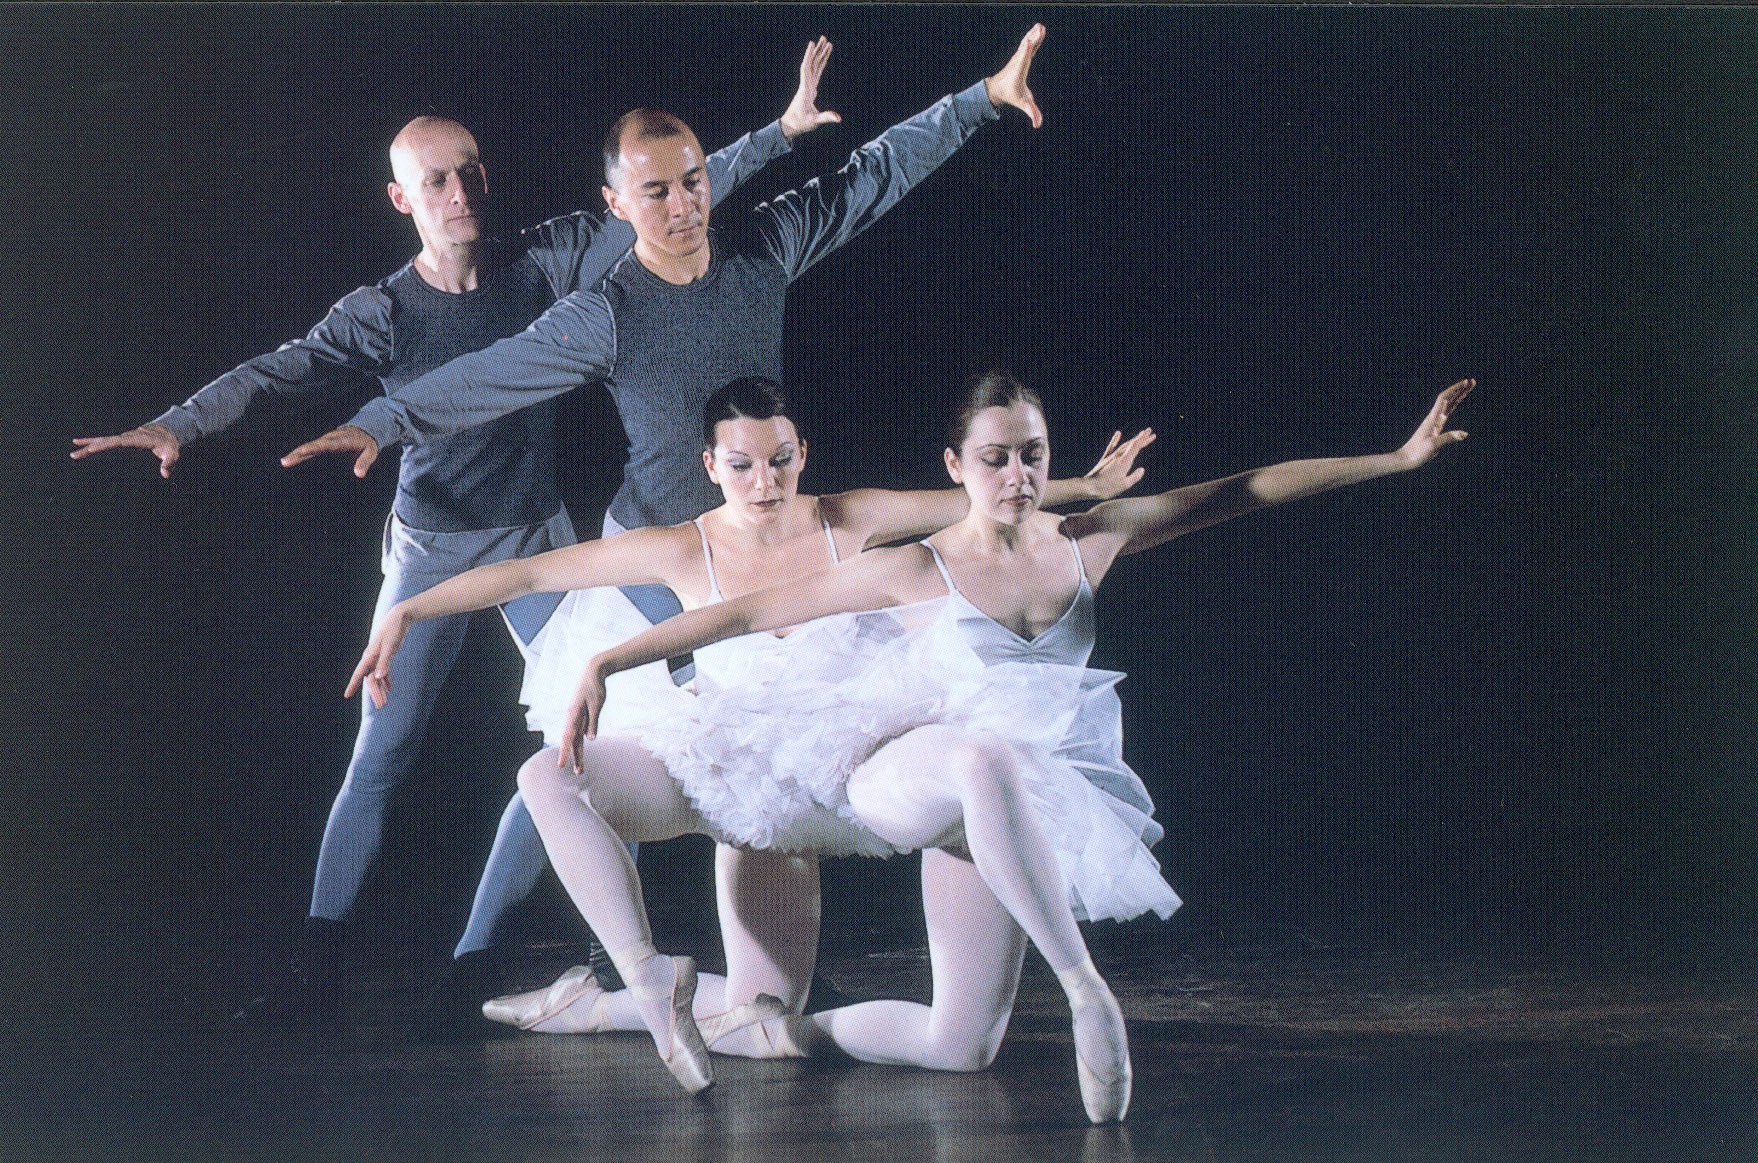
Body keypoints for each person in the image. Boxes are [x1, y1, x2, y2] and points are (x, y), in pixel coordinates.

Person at [281, 23, 1048, 1024]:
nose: (683, 206)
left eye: (693, 182)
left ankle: (775, 963)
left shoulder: (762, 247)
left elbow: (872, 175)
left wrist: (980, 98)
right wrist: (380, 420)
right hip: (658, 566)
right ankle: (481, 962)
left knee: (772, 759)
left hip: (762, 547)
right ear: (617, 205)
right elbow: (486, 374)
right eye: (656, 191)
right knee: (585, 765)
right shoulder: (604, 311)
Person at [68, 44, 838, 1019]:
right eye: (435, 180)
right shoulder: (383, 311)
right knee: (382, 754)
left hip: (539, 536)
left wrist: (780, 134)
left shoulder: (547, 259)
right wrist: (179, 422)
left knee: (589, 735)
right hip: (433, 546)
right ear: (403, 200)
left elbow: (669, 193)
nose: (460, 191)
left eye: (469, 170)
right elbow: (277, 369)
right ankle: (316, 962)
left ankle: (495, 959)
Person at [476, 371, 1475, 1121]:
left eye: (1032, 454)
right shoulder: (917, 564)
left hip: (1006, 809)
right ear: (956, 470)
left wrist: (1394, 459)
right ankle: (1088, 992)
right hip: (899, 771)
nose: (1018, 475)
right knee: (980, 757)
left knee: (963, 1045)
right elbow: (745, 613)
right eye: (995, 458)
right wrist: (610, 658)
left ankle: (755, 1026)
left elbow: (1247, 488)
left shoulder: (1089, 540)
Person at [347, 376, 1155, 1043]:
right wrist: (409, 610)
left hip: (847, 773)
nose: (765, 483)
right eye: (742, 466)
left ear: (803, 453)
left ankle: (606, 1001)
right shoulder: (683, 546)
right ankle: (597, 1005)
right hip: (750, 796)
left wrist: (1083, 488)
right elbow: (530, 574)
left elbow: (969, 499)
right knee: (766, 1019)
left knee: (798, 1016)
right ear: (711, 465)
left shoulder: (849, 518)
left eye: (781, 460)